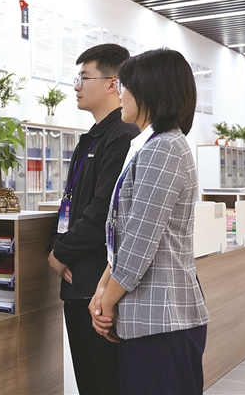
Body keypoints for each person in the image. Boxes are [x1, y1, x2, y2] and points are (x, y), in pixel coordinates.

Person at [90, 48, 209, 394]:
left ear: (150, 91)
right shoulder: (152, 145)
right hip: (149, 320)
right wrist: (102, 291)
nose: (120, 94)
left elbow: (140, 243)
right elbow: (125, 236)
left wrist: (106, 302)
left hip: (163, 321)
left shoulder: (165, 148)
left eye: (125, 86)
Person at [47, 43, 139, 395]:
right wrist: (56, 247)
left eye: (84, 78)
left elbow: (103, 212)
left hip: (98, 286)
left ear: (112, 84)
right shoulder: (92, 137)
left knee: (106, 383)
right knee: (89, 381)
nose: (76, 86)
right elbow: (71, 205)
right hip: (78, 281)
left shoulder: (122, 137)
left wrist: (60, 253)